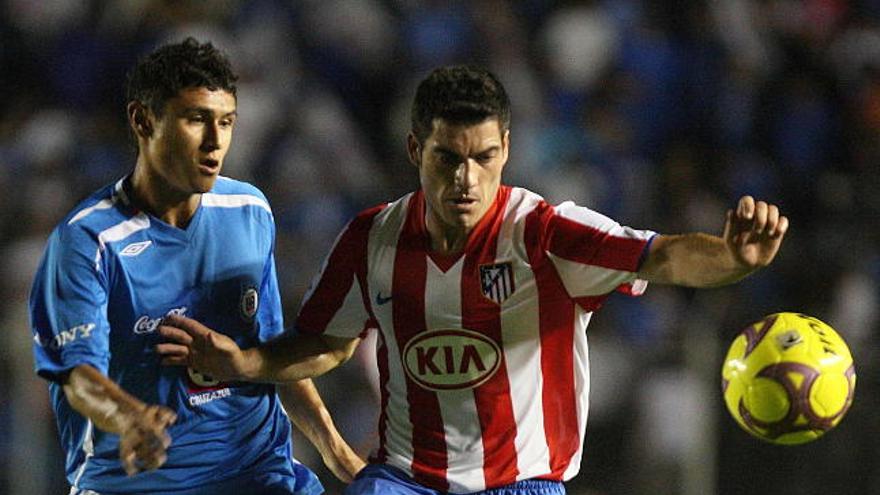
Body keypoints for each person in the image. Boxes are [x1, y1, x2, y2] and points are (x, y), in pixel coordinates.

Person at [156, 65, 789, 494]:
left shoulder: (545, 231)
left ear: (506, 149)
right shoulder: (372, 238)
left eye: (483, 158)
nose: (467, 178)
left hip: (522, 485)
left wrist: (736, 258)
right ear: (414, 151)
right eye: (448, 158)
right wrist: (244, 362)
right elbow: (325, 344)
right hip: (405, 479)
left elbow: (664, 256)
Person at [28, 37, 363, 495]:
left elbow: (271, 352)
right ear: (142, 120)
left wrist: (339, 454)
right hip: (138, 482)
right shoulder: (87, 240)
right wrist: (130, 419)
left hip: (258, 473)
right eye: (195, 119)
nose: (215, 140)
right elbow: (78, 379)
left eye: (226, 122)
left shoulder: (249, 209)